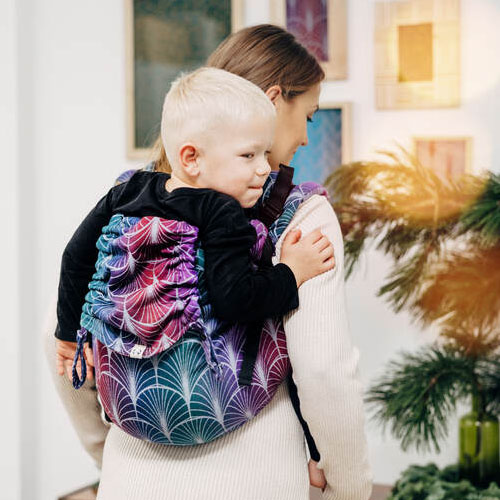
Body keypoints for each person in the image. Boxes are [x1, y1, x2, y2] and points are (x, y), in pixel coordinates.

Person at [44, 24, 373, 500]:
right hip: (257, 478)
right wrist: (348, 489)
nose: (305, 136)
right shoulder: (303, 214)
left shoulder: (128, 198)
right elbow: (323, 368)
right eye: (308, 115)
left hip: (131, 475)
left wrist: (108, 456)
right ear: (275, 99)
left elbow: (71, 337)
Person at [54, 67, 334, 457]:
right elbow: (236, 300)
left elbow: (74, 258)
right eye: (249, 155)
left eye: (265, 154)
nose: (265, 169)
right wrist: (292, 271)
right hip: (210, 403)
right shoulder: (222, 211)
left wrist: (67, 334)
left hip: (125, 406)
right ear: (191, 158)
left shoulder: (126, 191)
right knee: (284, 331)